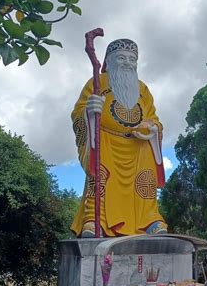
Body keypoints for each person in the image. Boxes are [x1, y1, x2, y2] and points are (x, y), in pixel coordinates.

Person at [70, 38, 168, 237]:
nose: (127, 62)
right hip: (106, 141)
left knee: (145, 178)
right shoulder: (97, 82)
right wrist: (89, 111)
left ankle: (149, 220)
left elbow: (154, 118)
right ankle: (94, 219)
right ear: (109, 61)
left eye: (132, 59)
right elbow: (78, 113)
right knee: (100, 175)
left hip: (138, 146)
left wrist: (151, 128)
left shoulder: (142, 89)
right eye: (121, 57)